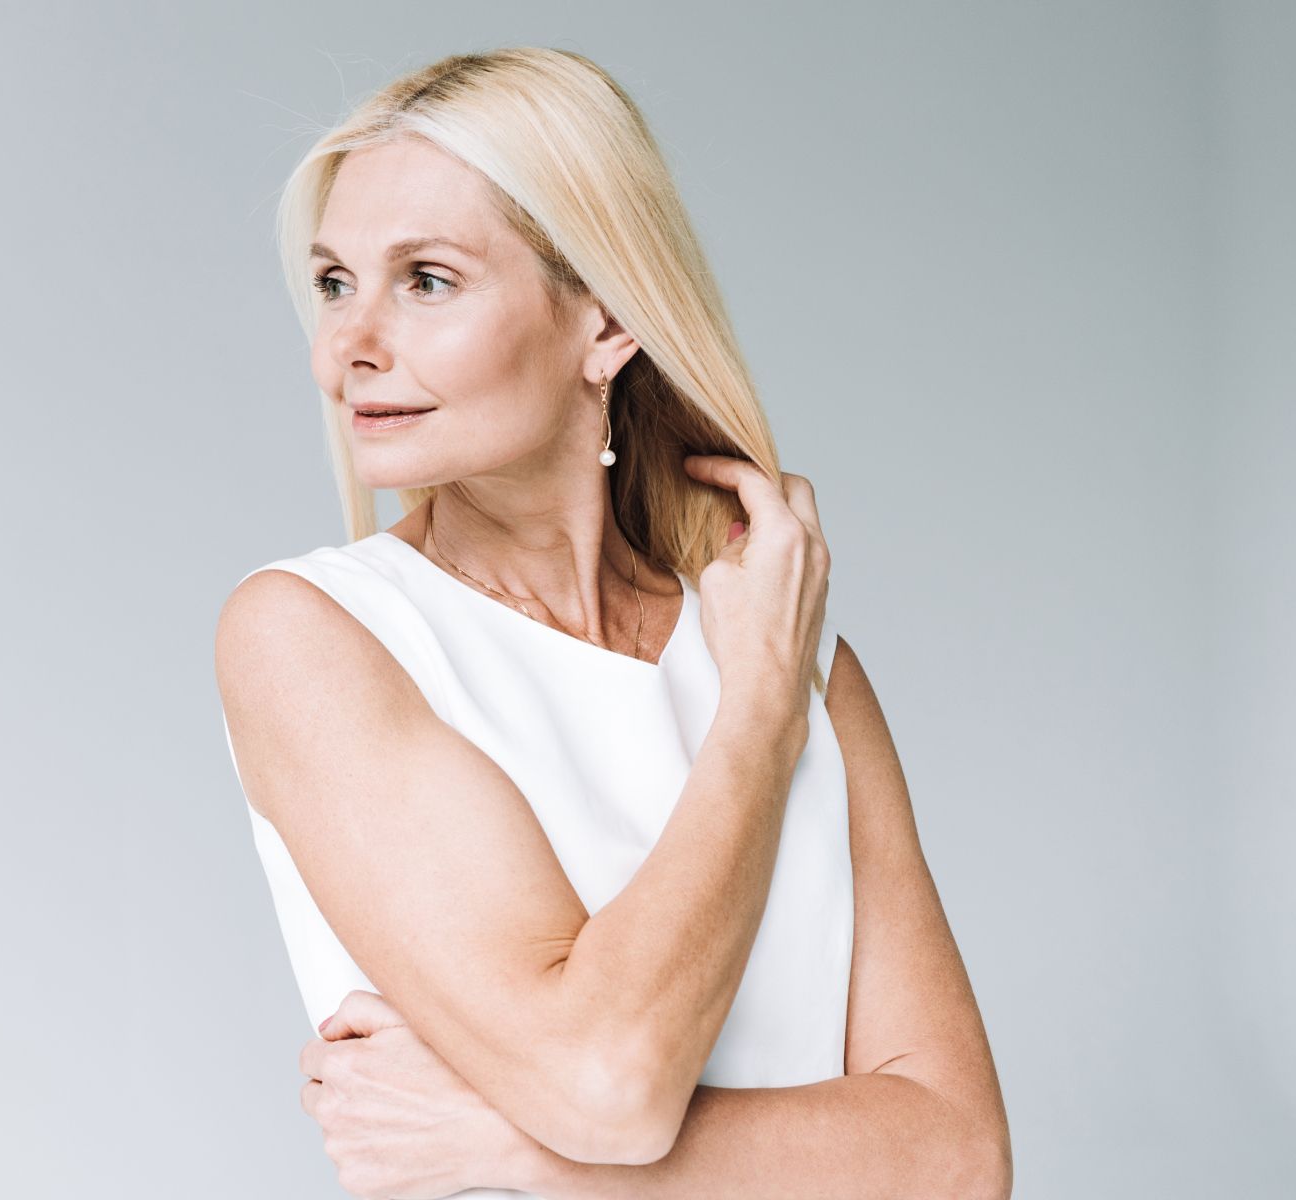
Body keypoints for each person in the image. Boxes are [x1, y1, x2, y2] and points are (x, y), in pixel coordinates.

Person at [213, 48, 1010, 1199]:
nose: (351, 344)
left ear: (605, 322)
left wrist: (517, 1151)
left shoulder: (797, 663)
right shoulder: (315, 639)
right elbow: (606, 1083)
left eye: (426, 279)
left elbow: (960, 1157)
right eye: (335, 282)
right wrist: (753, 727)